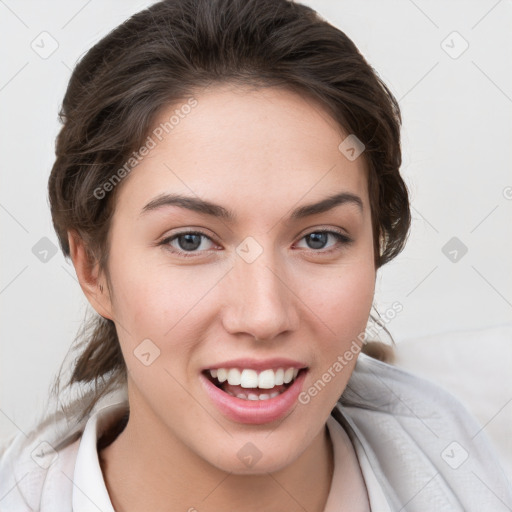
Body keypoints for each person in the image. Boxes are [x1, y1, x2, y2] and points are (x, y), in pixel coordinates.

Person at [1, 0, 510, 510]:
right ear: (94, 269)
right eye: (190, 241)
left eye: (319, 238)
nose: (264, 315)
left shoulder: (481, 445)